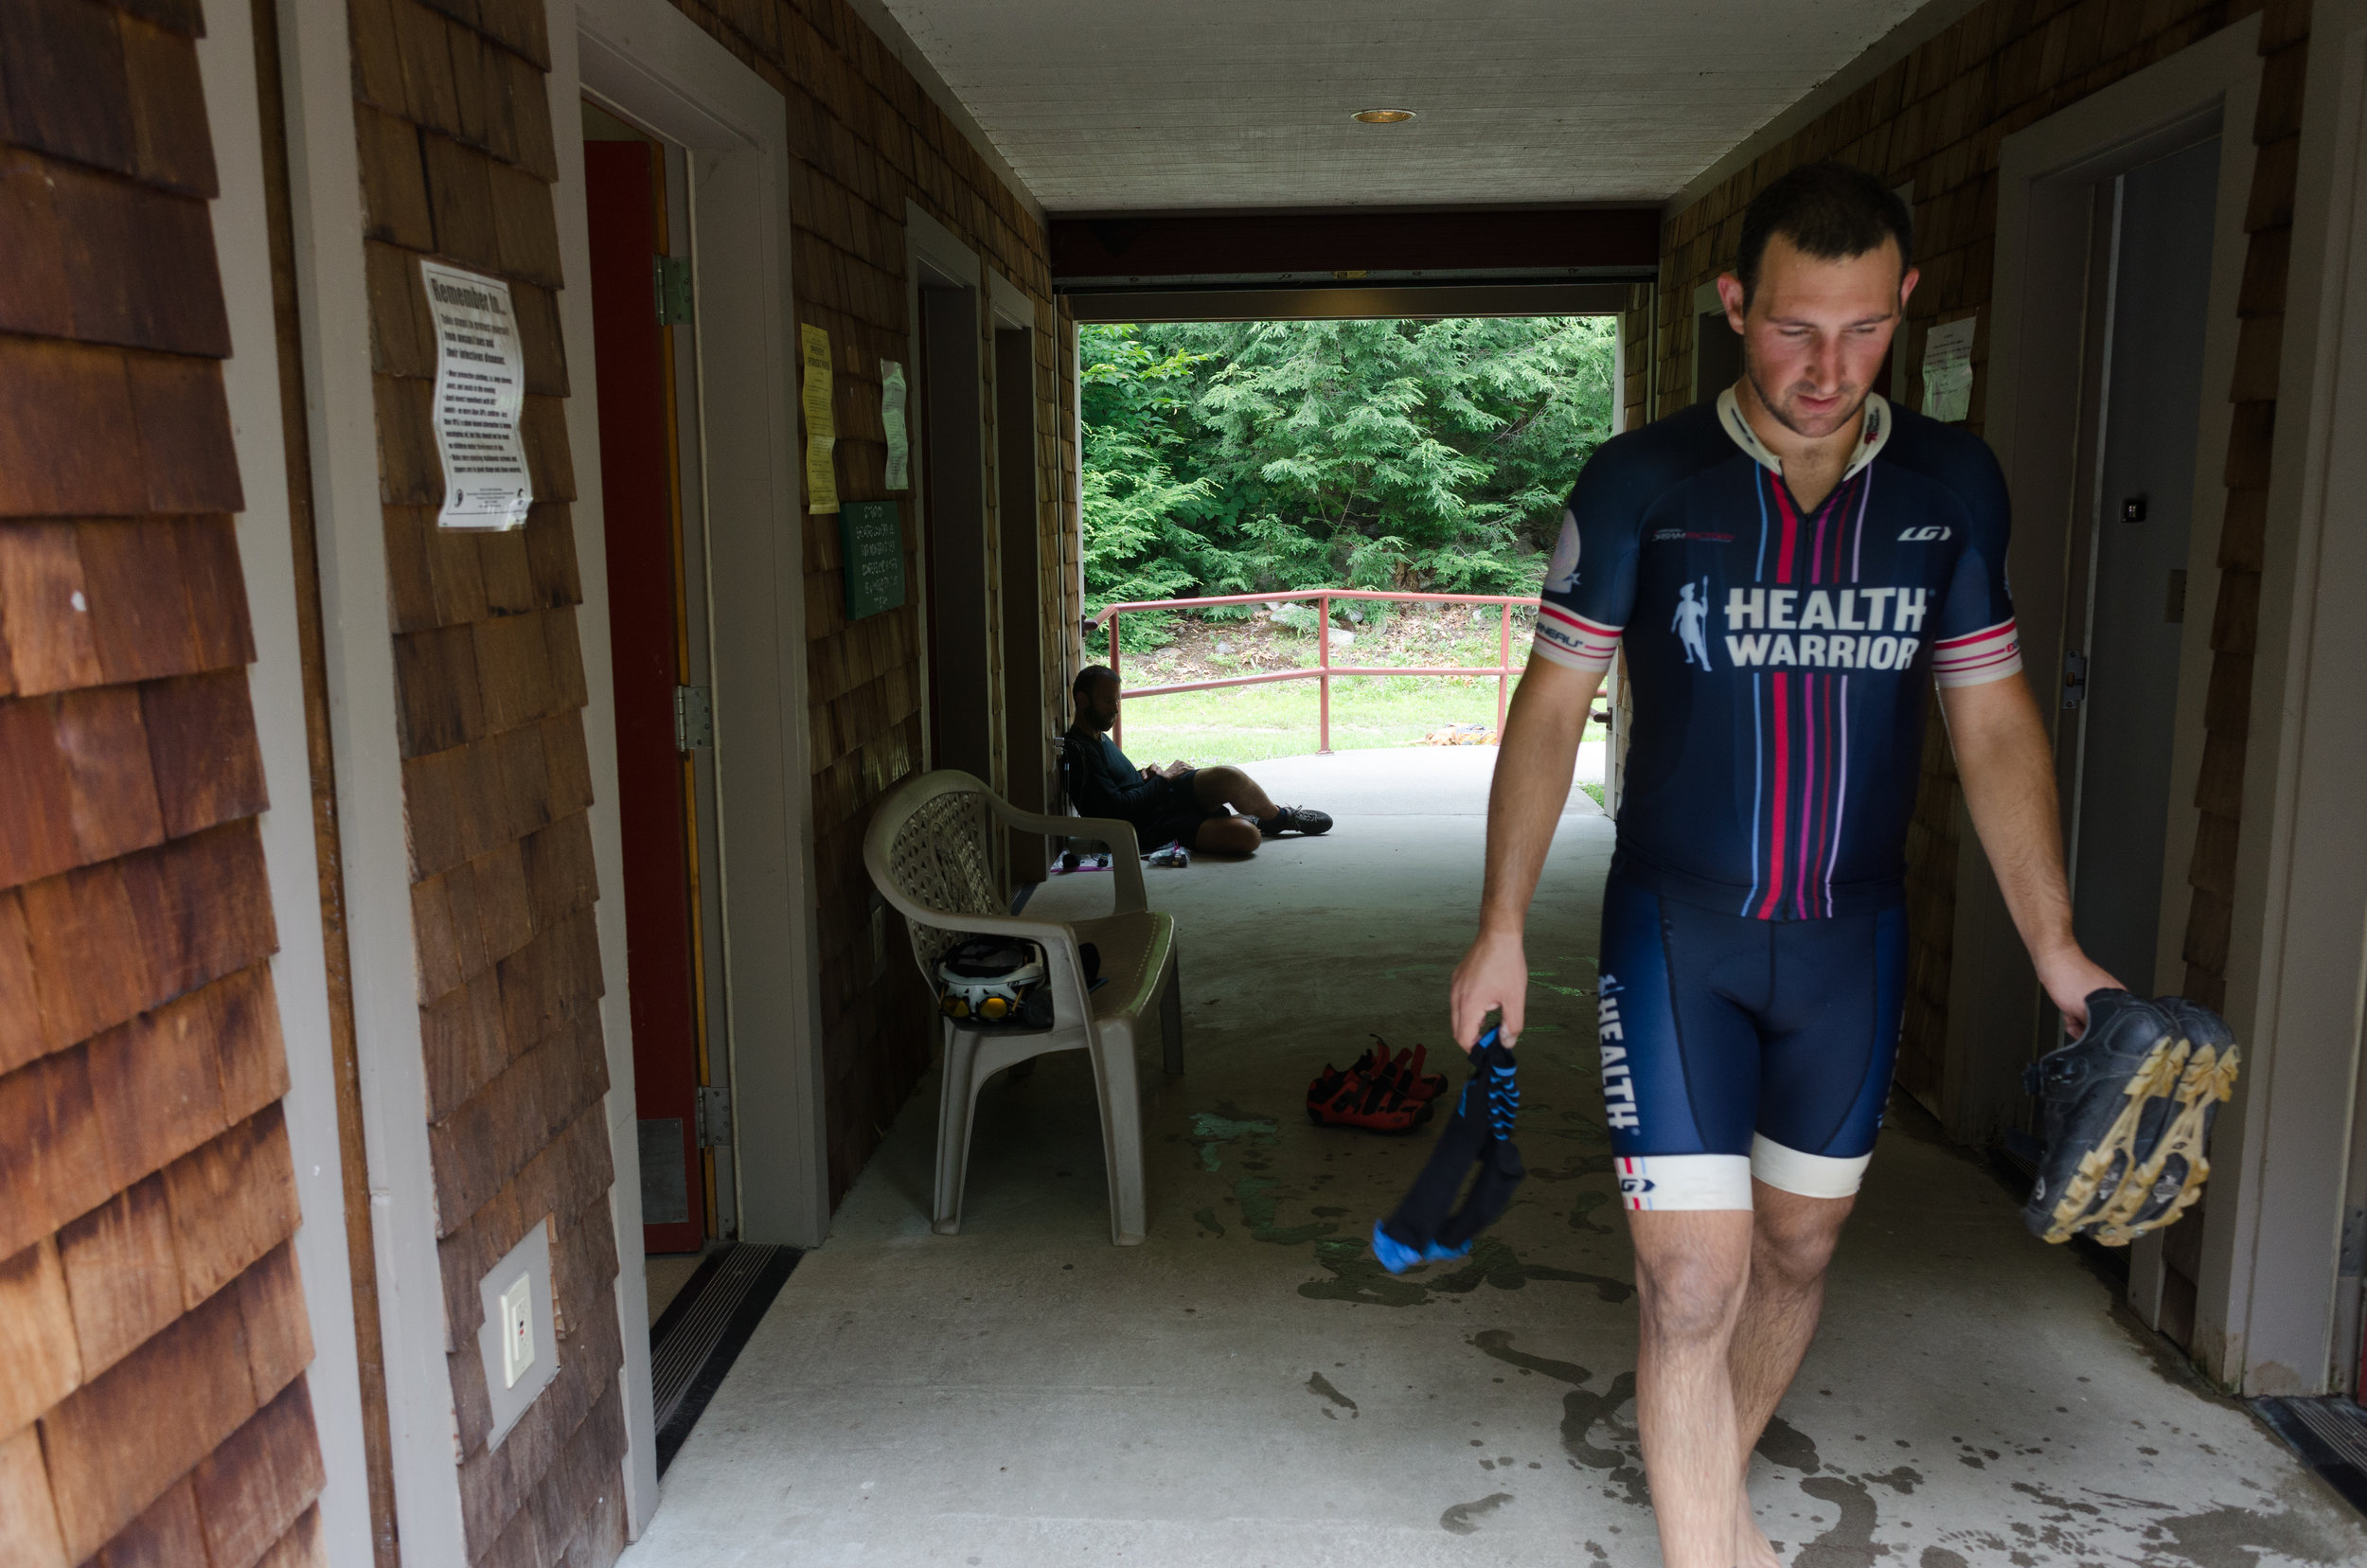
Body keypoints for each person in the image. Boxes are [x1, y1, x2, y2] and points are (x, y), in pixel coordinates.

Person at [1446, 161, 2118, 1568]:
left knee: (1797, 1255)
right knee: (1694, 1282)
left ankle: (1712, 1501)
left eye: (1865, 329)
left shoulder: (1950, 489)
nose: (1828, 368)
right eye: (1796, 328)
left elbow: (1991, 720)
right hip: (1675, 935)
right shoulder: (1646, 485)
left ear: (1907, 308)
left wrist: (2054, 944)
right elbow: (1552, 705)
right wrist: (1501, 923)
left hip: (1849, 944)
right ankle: (1709, 1547)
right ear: (1735, 303)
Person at [1063, 665, 1331, 855]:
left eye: (1117, 701)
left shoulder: (1097, 733)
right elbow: (1116, 811)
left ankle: (1279, 818)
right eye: (1109, 702)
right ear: (1083, 700)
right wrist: (1165, 778)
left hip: (1157, 797)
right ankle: (1253, 820)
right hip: (1146, 828)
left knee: (1228, 776)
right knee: (1247, 837)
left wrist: (1145, 774)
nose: (1116, 709)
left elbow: (1118, 783)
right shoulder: (1079, 752)